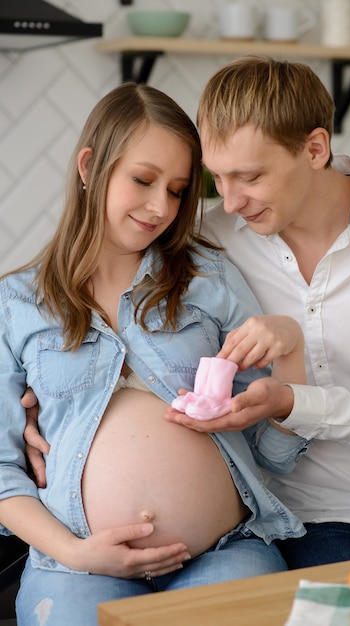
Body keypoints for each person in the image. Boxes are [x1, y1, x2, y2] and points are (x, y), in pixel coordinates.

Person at [0, 81, 309, 626]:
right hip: (75, 566)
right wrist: (76, 552)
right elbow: (2, 472)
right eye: (143, 180)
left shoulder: (209, 279)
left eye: (177, 190)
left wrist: (291, 352)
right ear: (91, 166)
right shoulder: (15, 303)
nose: (160, 207)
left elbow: (274, 451)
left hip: (220, 551)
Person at [164, 56, 350, 569]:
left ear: (315, 148)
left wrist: (291, 401)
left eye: (250, 176)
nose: (231, 202)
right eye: (217, 179)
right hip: (308, 522)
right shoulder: (211, 245)